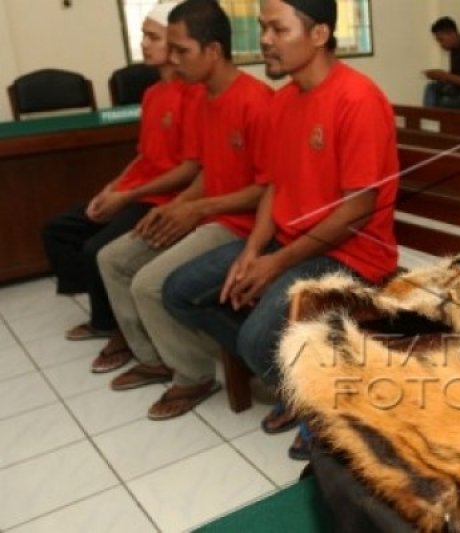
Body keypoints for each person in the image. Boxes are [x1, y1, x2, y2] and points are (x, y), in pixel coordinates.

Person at [162, 0, 399, 460]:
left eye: (277, 29)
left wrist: (276, 263)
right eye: (262, 28)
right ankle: (300, 380)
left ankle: (328, 406)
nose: (265, 40)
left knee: (254, 339)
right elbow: (273, 186)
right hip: (289, 241)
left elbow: (358, 209)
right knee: (178, 291)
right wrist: (253, 252)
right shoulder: (285, 100)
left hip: (351, 252)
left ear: (319, 34)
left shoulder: (357, 98)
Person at [96, 0, 272, 394]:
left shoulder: (256, 101)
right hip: (212, 215)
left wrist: (195, 208)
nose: (173, 61)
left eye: (181, 51)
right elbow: (211, 172)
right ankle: (156, 358)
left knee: (148, 284)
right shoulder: (207, 98)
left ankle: (193, 375)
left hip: (242, 226)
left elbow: (268, 190)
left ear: (212, 50)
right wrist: (177, 207)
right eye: (169, 50)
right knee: (113, 258)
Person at [40, 1, 201, 368]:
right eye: (142, 35)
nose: (144, 44)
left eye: (152, 37)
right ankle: (105, 312)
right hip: (134, 189)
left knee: (99, 248)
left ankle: (117, 328)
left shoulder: (193, 96)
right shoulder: (152, 93)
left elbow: (191, 170)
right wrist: (111, 187)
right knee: (59, 231)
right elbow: (143, 155)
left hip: (160, 196)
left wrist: (127, 195)